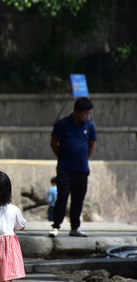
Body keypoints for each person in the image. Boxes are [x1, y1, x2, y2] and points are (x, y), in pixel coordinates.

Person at [49, 97, 96, 238]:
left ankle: (75, 227)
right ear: (76, 111)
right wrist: (63, 157)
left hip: (81, 169)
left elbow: (91, 144)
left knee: (78, 198)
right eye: (85, 113)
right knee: (62, 196)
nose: (87, 116)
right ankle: (56, 226)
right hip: (65, 168)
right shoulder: (62, 124)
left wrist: (83, 159)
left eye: (89, 113)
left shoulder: (89, 126)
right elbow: (53, 143)